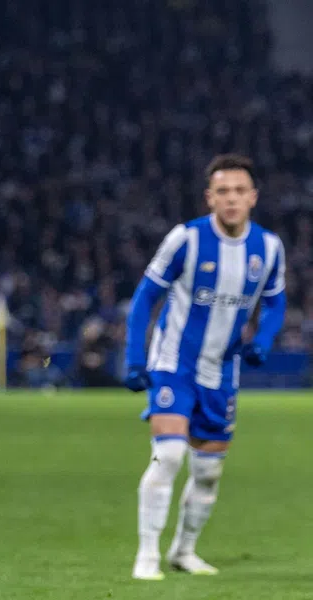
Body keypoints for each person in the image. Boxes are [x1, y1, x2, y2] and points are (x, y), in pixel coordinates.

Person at [123, 154, 286, 580]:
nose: (231, 199)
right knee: (169, 455)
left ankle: (183, 551)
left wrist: (263, 340)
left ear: (253, 197)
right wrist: (135, 358)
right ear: (209, 198)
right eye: (222, 191)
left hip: (221, 372)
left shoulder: (268, 248)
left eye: (239, 191)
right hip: (173, 364)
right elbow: (145, 296)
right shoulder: (187, 239)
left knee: (208, 471)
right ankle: (146, 556)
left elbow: (275, 301)